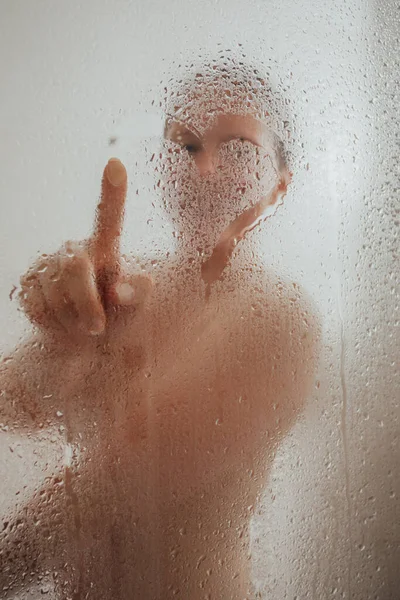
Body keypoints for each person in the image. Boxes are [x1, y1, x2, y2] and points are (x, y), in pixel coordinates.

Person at [0, 58, 319, 599]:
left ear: (280, 187)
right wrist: (64, 340)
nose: (205, 169)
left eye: (238, 147)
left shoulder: (281, 316)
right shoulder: (121, 285)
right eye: (187, 145)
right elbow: (15, 410)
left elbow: (113, 487)